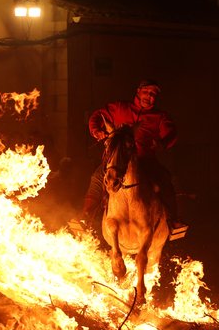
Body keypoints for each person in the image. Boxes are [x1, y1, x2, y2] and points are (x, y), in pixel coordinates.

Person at [81, 79, 188, 233]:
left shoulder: (159, 116)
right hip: (117, 160)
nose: (148, 96)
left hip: (145, 161)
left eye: (153, 94)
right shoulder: (119, 108)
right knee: (98, 177)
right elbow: (97, 115)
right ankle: (86, 217)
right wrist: (97, 131)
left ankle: (172, 220)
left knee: (164, 178)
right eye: (146, 92)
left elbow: (171, 133)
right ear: (138, 91)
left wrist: (161, 144)